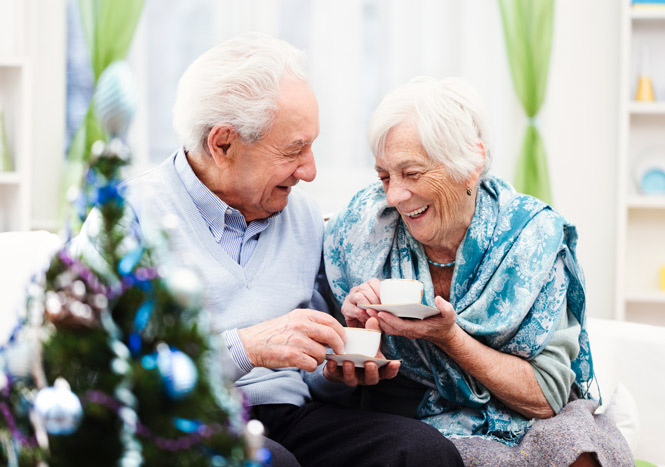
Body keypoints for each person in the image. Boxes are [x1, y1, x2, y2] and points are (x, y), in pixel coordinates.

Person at [74, 35, 464, 467]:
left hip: (291, 418)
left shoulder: (301, 218)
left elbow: (310, 378)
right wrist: (244, 348)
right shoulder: (125, 217)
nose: (310, 171)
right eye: (294, 150)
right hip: (179, 421)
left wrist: (336, 369)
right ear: (223, 144)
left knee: (425, 453)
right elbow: (87, 369)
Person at [323, 77, 635, 466]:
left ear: (470, 165)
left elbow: (548, 396)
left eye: (413, 173)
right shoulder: (358, 233)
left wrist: (449, 338)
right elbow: (326, 382)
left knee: (579, 446)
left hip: (527, 412)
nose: (394, 195)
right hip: (415, 419)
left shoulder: (529, 238)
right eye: (385, 176)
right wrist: (352, 345)